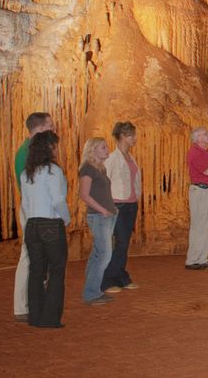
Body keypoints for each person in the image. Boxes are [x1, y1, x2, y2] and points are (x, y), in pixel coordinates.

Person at [20, 130, 70, 328]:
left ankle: (35, 315)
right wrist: (66, 218)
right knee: (56, 272)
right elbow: (57, 199)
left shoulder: (26, 174)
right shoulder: (53, 171)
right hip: (51, 224)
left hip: (31, 225)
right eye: (54, 145)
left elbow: (24, 203)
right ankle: (50, 318)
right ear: (49, 148)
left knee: (36, 272)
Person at [13, 112, 53, 322]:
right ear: (40, 128)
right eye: (50, 126)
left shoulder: (29, 150)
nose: (52, 130)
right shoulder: (28, 152)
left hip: (37, 207)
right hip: (34, 208)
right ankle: (22, 305)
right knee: (29, 255)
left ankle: (33, 300)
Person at [101, 121, 141, 293]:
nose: (135, 138)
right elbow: (103, 183)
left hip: (131, 203)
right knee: (120, 243)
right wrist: (108, 206)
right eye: (132, 135)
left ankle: (120, 277)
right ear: (123, 136)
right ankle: (108, 280)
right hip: (118, 204)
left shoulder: (130, 157)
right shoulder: (111, 159)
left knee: (123, 244)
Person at [77, 137, 116, 307]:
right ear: (92, 150)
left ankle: (93, 289)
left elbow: (103, 193)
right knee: (104, 255)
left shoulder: (101, 169)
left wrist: (113, 208)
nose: (107, 149)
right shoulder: (87, 169)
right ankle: (91, 293)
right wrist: (103, 210)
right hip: (99, 217)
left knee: (97, 254)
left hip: (107, 215)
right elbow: (84, 195)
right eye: (103, 147)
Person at [185, 128, 208, 270]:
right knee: (199, 226)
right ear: (197, 138)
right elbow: (207, 171)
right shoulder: (194, 152)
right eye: (205, 134)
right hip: (200, 190)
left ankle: (203, 258)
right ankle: (192, 260)